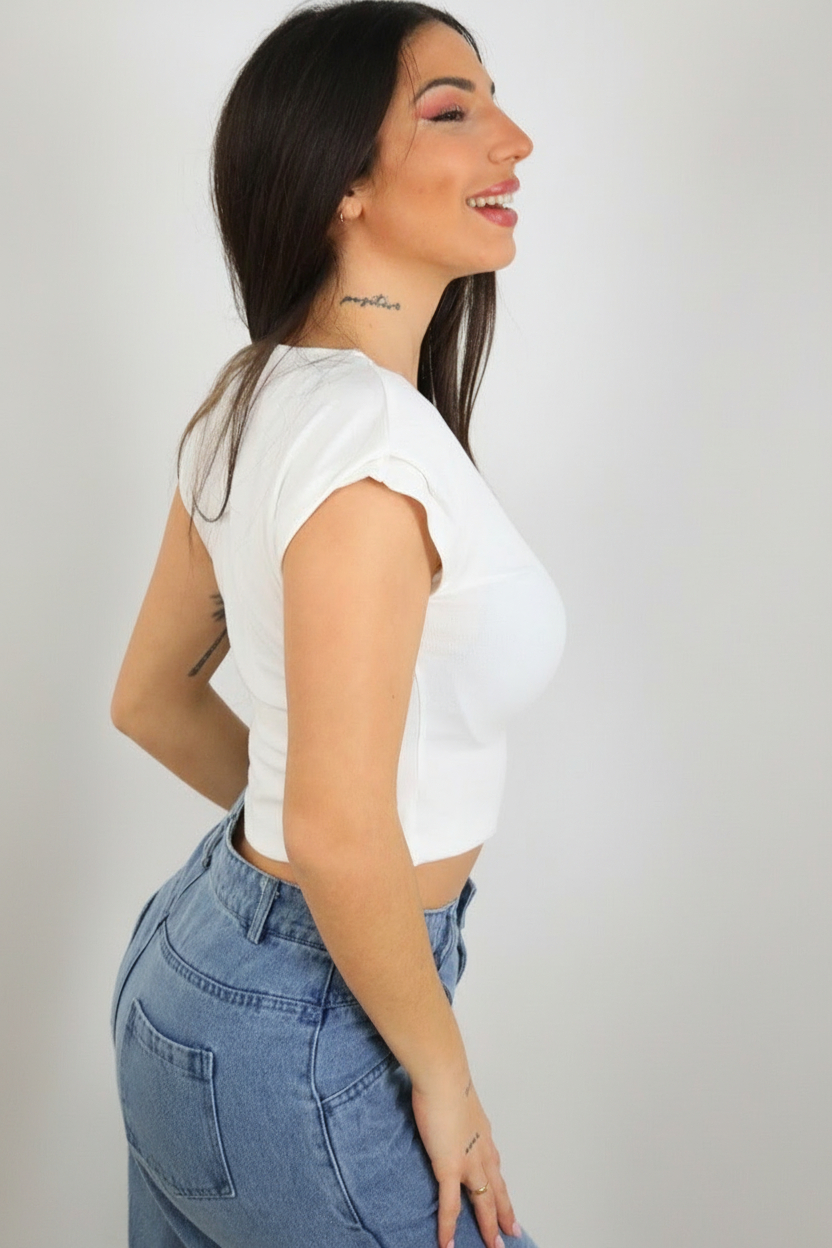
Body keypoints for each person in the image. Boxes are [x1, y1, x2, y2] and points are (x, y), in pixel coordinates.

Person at [109, 3, 566, 1246]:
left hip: (199, 962)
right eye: (453, 110)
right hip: (304, 1026)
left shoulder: (254, 397)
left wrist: (321, 851)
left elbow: (149, 698)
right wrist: (444, 1071)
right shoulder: (369, 445)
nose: (514, 140)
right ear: (341, 181)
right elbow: (330, 824)